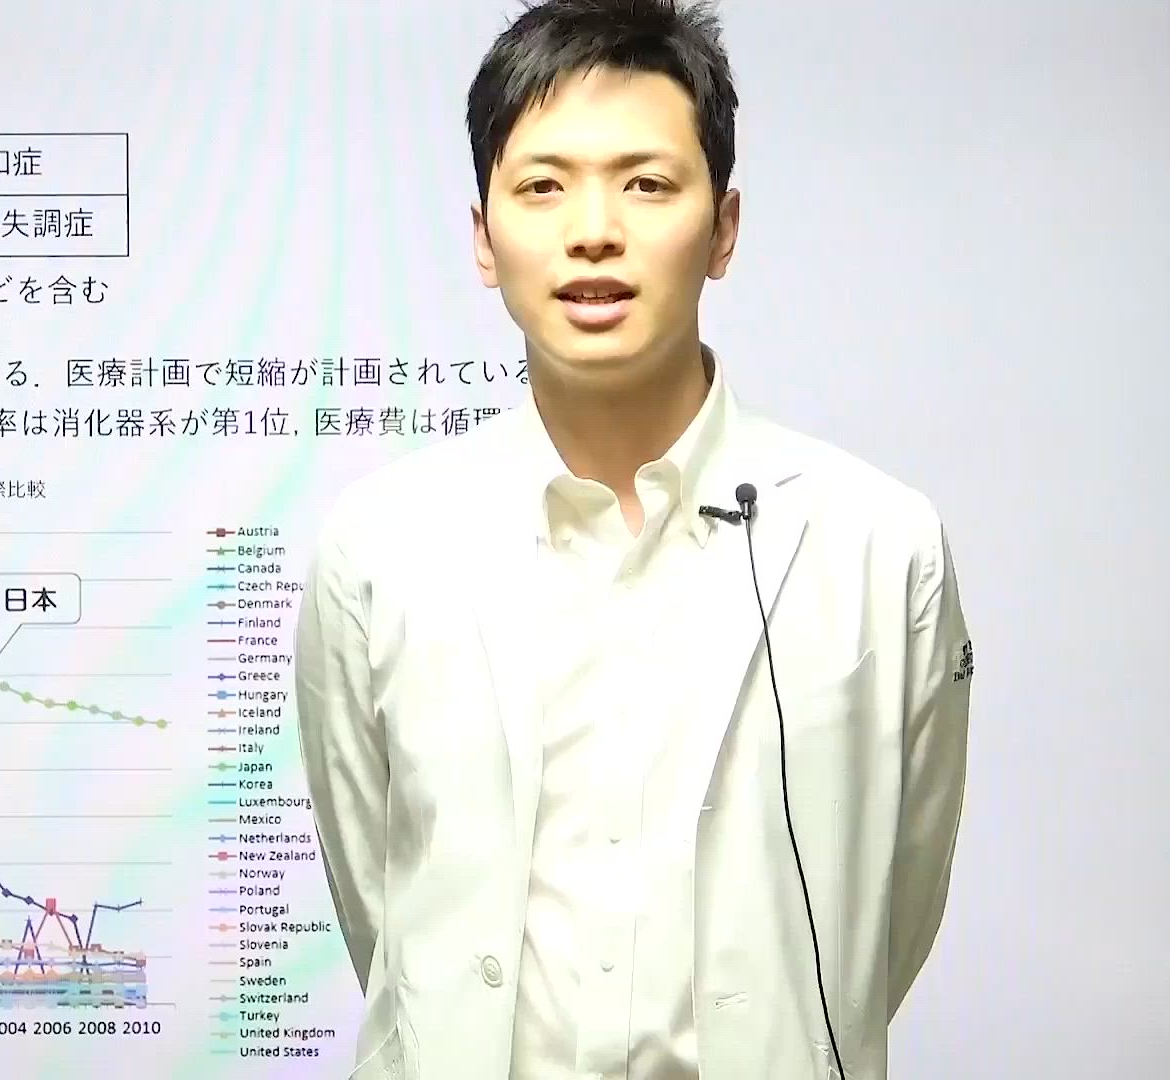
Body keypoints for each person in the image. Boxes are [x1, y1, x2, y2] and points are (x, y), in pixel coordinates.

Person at [291, 1, 974, 1078]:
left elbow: (885, 920)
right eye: (542, 186)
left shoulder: (879, 544)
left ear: (724, 229)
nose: (594, 230)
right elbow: (383, 907)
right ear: (483, 238)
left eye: (647, 184)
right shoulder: (381, 545)